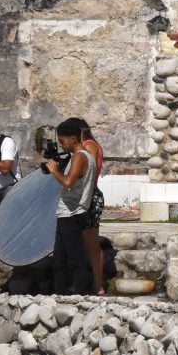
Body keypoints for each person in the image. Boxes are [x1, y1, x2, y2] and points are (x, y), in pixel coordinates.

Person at [45, 118, 96, 295]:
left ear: (73, 139)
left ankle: (82, 292)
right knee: (59, 258)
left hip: (72, 213)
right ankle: (59, 293)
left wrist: (54, 171)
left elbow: (68, 182)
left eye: (63, 141)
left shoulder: (80, 156)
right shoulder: (80, 156)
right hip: (66, 213)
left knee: (76, 257)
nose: (61, 145)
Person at [67, 118, 106, 295]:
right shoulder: (89, 145)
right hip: (85, 196)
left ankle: (98, 285)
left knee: (91, 244)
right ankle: (88, 282)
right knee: (83, 242)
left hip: (90, 196)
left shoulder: (89, 146)